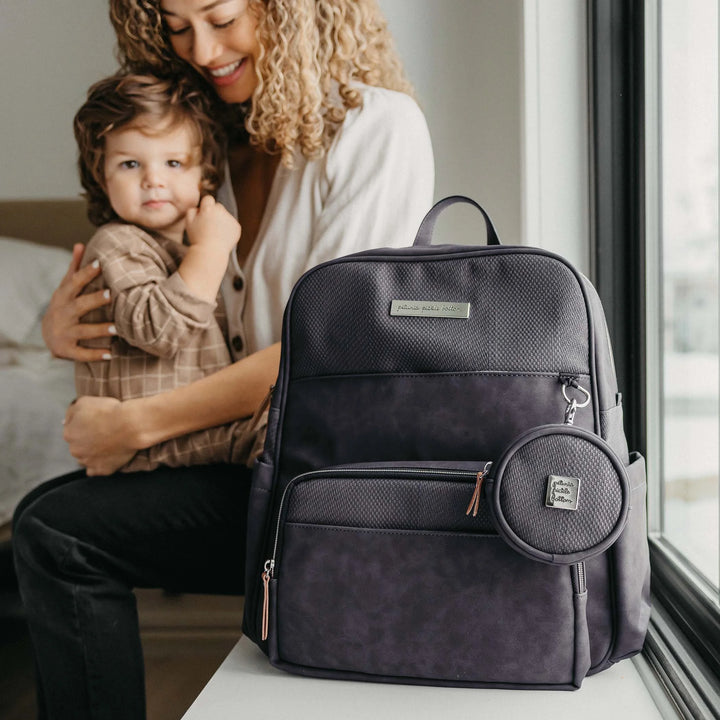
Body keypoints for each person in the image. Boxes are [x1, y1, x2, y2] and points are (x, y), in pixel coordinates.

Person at [12, 0, 434, 718]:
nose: (201, 49)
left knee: (56, 531)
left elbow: (327, 348)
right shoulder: (208, 146)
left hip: (322, 475)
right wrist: (63, 327)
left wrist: (137, 426)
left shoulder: (375, 128)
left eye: (220, 16)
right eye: (177, 26)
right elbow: (161, 306)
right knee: (47, 515)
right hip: (248, 457)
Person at [73, 71, 264, 472]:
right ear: (101, 177)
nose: (154, 180)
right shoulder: (117, 243)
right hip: (150, 445)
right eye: (129, 164)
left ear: (205, 174)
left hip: (192, 428)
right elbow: (157, 330)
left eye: (174, 162)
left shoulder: (188, 242)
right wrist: (211, 250)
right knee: (277, 433)